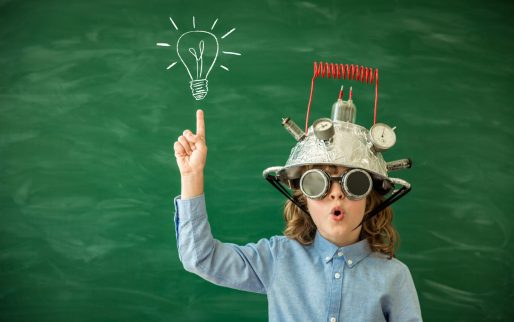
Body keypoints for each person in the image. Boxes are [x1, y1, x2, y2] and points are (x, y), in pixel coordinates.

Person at [173, 109, 422, 322]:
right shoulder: (277, 259)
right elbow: (200, 258)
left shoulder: (394, 276)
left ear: (370, 199)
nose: (336, 194)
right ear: (304, 198)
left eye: (354, 184)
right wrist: (191, 176)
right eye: (318, 183)